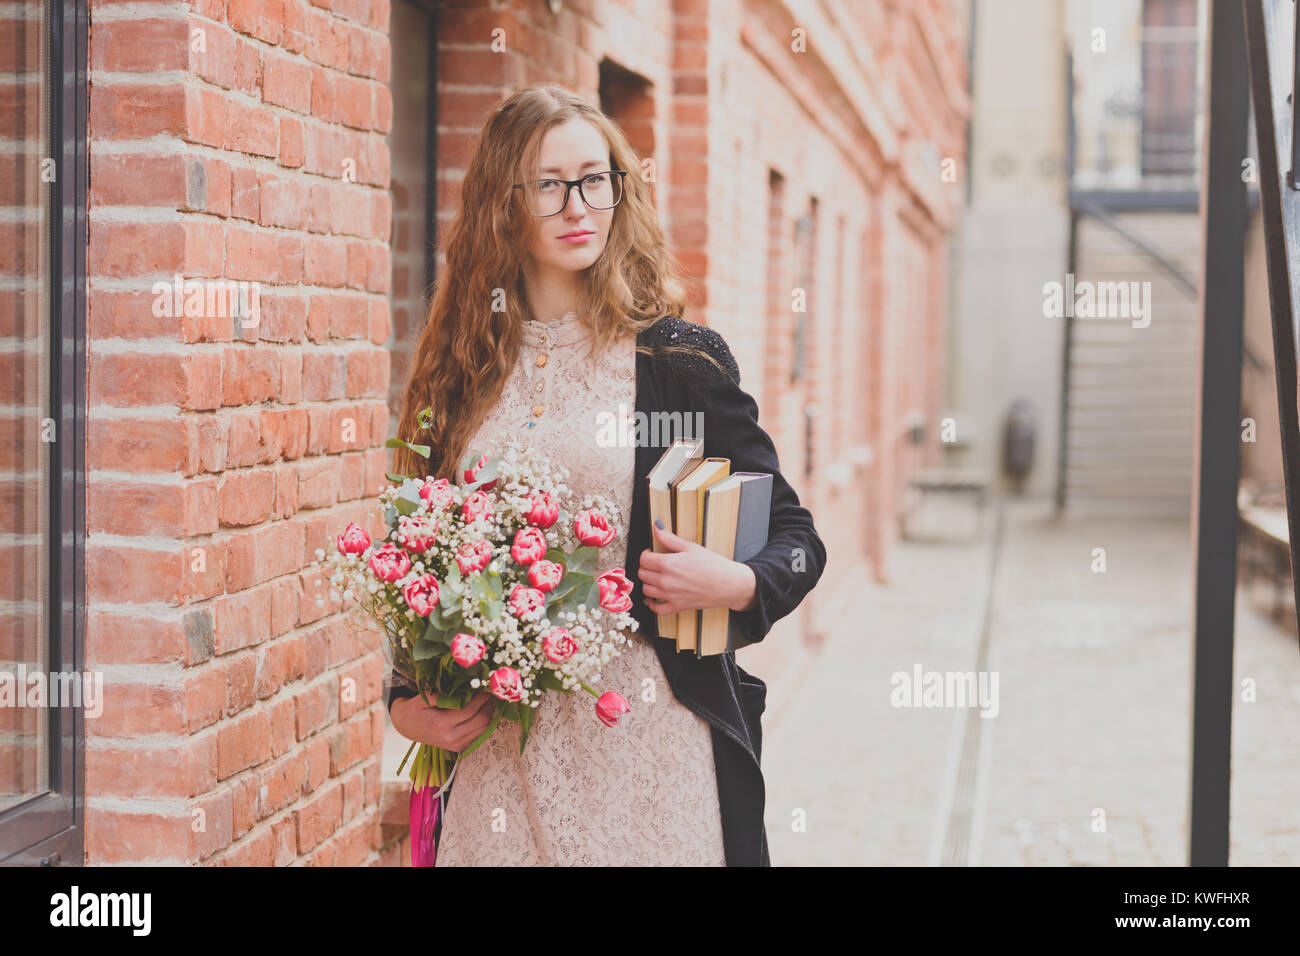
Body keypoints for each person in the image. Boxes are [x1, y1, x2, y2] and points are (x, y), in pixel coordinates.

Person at [387, 82, 826, 866]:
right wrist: (407, 705)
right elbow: (421, 558)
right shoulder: (461, 371)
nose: (576, 204)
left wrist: (731, 583)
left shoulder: (679, 363)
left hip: (651, 749)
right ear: (504, 202)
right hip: (501, 756)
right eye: (549, 185)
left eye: (595, 179)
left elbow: (795, 538)